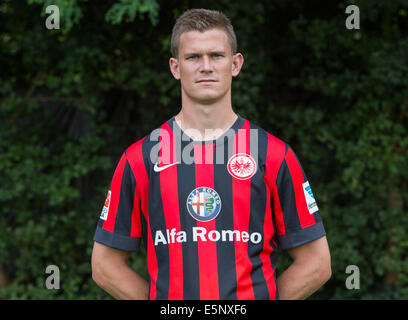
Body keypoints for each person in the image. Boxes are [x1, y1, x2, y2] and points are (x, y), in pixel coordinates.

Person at [91, 8, 331, 300]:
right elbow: (105, 265)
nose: (206, 66)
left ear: (235, 63)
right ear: (175, 67)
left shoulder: (274, 154)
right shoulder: (140, 158)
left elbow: (316, 263)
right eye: (193, 57)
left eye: (216, 55)